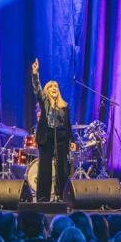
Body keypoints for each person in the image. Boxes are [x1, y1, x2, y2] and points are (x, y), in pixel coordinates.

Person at [31, 58, 74, 202]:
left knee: (62, 168)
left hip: (61, 138)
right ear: (47, 91)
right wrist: (35, 74)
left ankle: (62, 197)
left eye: (55, 86)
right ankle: (43, 198)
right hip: (46, 137)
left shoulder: (64, 106)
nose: (54, 88)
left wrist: (72, 140)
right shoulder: (44, 102)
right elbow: (37, 89)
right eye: (50, 87)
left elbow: (68, 125)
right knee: (45, 169)